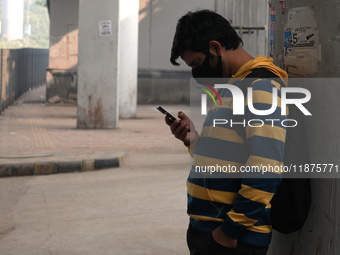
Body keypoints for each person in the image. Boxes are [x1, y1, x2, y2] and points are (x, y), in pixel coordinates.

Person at [165, 10, 289, 255]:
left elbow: (266, 167)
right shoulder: (233, 87)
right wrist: (193, 140)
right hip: (209, 229)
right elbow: (228, 153)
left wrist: (230, 231)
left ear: (215, 47)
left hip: (231, 239)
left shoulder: (260, 88)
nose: (196, 74)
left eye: (197, 64)